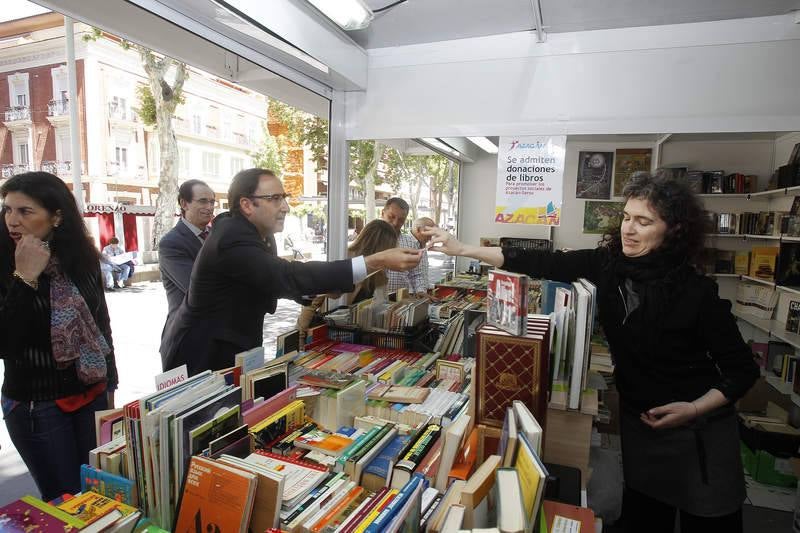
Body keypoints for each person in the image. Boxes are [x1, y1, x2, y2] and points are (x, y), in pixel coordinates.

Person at [424, 173, 759, 533]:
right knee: (643, 520)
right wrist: (462, 250)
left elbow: (742, 370)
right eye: (627, 217)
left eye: (643, 221)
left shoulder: (697, 293)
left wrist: (693, 409)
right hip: (641, 426)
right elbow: (541, 261)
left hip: (699, 433)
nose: (629, 229)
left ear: (673, 230)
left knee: (709, 524)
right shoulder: (607, 265)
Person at [160, 168, 422, 375]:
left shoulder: (261, 234)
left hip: (238, 345)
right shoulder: (231, 235)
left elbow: (272, 281)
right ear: (247, 205)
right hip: (202, 352)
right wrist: (375, 261)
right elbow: (289, 275)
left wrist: (313, 291)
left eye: (283, 198)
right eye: (274, 199)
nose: (285, 206)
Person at [0, 171, 118, 501]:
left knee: (99, 494)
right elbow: (5, 342)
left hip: (91, 392)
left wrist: (110, 385)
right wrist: (24, 277)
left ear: (56, 217)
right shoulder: (5, 264)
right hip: (38, 406)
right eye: (8, 209)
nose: (13, 221)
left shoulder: (81, 259)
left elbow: (102, 325)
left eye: (25, 211)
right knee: (65, 502)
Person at [296, 219, 399, 342]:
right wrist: (300, 337)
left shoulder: (379, 272)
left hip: (359, 336)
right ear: (380, 247)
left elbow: (381, 304)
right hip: (333, 334)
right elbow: (313, 301)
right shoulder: (343, 261)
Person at [158, 179, 215, 334]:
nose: (209, 207)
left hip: (220, 333)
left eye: (212, 202)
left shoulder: (216, 236)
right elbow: (199, 290)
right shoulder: (171, 243)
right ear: (184, 204)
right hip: (189, 335)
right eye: (203, 201)